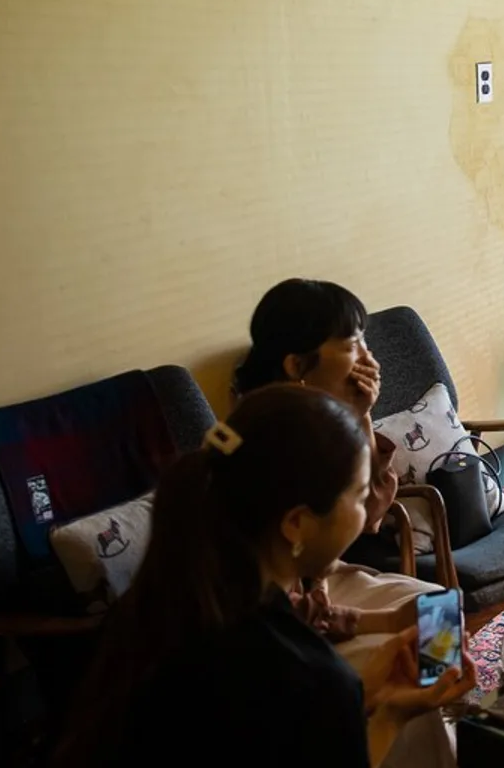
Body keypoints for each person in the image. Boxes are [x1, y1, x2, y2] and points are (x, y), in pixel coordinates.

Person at [56, 385, 475, 768]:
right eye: (359, 494)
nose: (367, 511)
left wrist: (365, 694)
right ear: (296, 524)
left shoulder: (157, 608)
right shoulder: (310, 677)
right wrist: (390, 715)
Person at [232, 279, 438, 660]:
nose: (369, 359)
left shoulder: (321, 423)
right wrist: (383, 622)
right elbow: (279, 611)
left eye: (364, 341)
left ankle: (443, 692)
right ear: (296, 365)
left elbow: (370, 514)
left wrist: (361, 414)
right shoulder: (261, 444)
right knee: (408, 650)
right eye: (351, 345)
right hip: (284, 610)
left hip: (315, 583)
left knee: (435, 611)